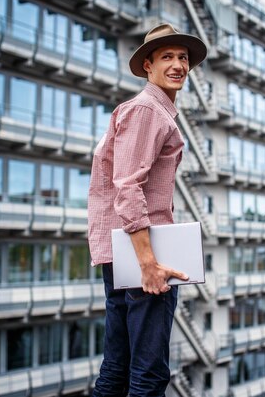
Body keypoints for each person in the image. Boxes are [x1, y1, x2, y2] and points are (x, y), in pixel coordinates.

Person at [87, 24, 208, 396]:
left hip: (124, 252)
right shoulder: (147, 110)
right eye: (167, 57)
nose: (178, 65)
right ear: (148, 66)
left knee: (118, 369)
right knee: (149, 374)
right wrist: (149, 264)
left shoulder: (146, 110)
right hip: (144, 255)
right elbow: (127, 185)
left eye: (183, 57)